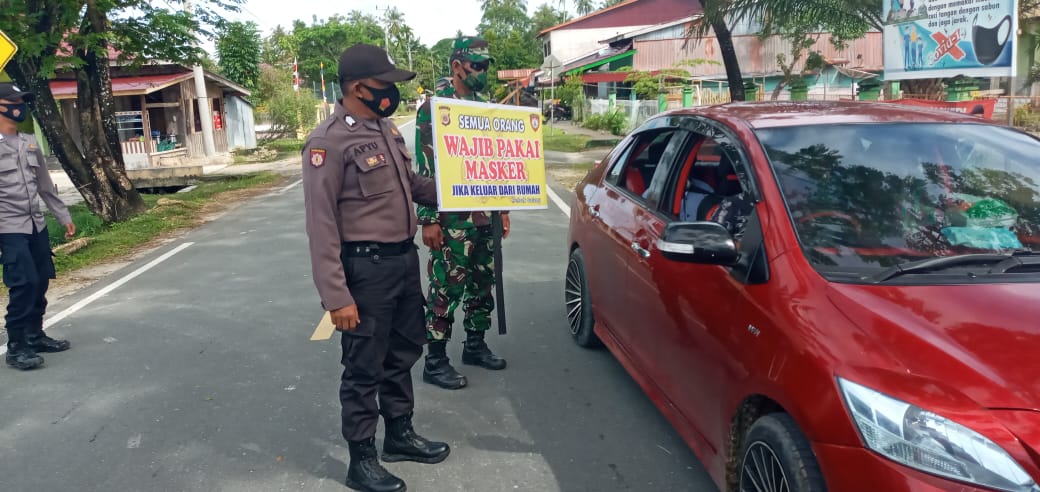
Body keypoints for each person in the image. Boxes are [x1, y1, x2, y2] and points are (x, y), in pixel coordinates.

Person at [302, 43, 448, 492]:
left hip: (403, 261)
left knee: (403, 353)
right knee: (364, 366)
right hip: (365, 270)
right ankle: (361, 459)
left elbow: (411, 185)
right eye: (384, 84)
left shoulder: (386, 129)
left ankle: (399, 435)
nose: (391, 92)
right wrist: (336, 295)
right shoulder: (328, 141)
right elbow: (321, 223)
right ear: (357, 88)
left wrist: (464, 187)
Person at [415, 36, 509, 390]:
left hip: (485, 214)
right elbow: (426, 164)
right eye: (477, 66)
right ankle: (435, 360)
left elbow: (496, 161)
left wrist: (503, 209)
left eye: (486, 66)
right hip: (452, 218)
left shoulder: (486, 106)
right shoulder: (435, 107)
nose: (483, 72)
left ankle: (475, 345)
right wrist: (428, 219)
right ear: (457, 67)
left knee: (483, 283)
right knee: (446, 286)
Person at [0, 83, 75, 371]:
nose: (21, 107)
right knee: (24, 282)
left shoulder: (29, 142)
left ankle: (35, 335)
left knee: (42, 279)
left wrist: (63, 216)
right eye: (15, 102)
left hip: (36, 224)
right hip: (8, 227)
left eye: (23, 101)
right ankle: (16, 346)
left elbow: (45, 185)